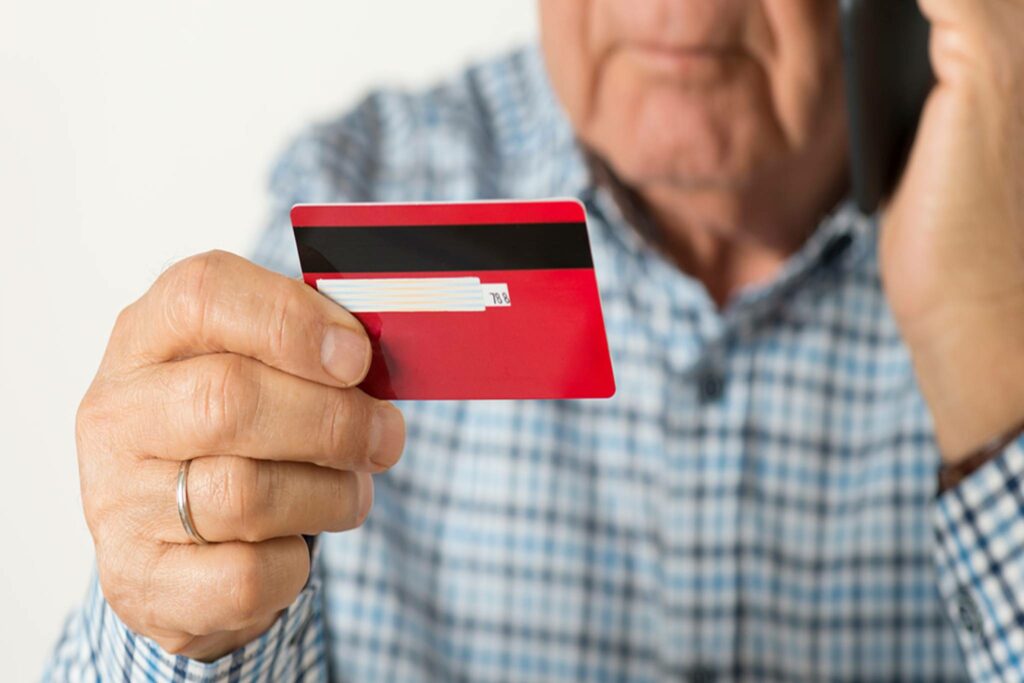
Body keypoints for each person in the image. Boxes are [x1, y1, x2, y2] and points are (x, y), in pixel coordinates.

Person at [43, 0, 1024, 680]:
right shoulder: (359, 187)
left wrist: (990, 370)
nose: (672, 13)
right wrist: (171, 621)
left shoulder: (1000, 225)